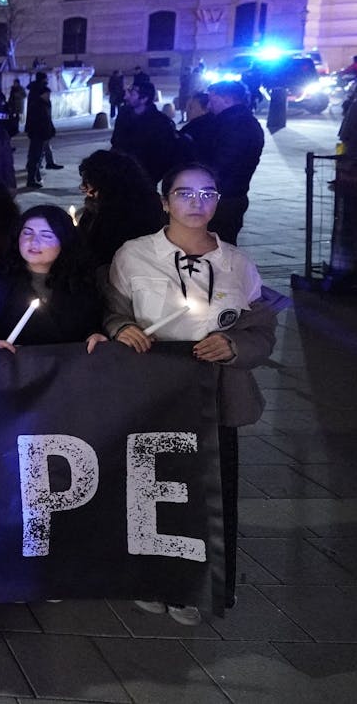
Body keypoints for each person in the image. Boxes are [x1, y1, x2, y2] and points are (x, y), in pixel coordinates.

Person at [105, 163, 281, 621]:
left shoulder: (237, 265)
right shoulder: (133, 255)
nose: (197, 203)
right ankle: (149, 576)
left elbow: (261, 330)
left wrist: (234, 345)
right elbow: (111, 311)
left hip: (216, 396)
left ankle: (196, 584)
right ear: (165, 202)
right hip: (153, 393)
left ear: (219, 201)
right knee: (148, 490)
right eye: (185, 194)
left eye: (207, 194)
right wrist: (122, 326)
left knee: (210, 492)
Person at [0, 205, 107, 350]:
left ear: (64, 241)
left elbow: (91, 325)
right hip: (8, 368)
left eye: (46, 235)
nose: (33, 242)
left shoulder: (80, 282)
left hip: (66, 368)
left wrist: (94, 335)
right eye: (27, 233)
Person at [179, 80, 264, 244]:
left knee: (217, 247)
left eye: (213, 99)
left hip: (222, 198)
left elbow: (223, 163)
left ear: (227, 99)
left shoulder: (235, 126)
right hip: (227, 195)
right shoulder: (236, 122)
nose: (209, 105)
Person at [76, 150, 165, 270]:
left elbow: (100, 249)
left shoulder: (126, 212)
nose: (85, 189)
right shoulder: (99, 203)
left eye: (88, 182)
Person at [110, 82, 179, 189]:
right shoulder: (124, 113)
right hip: (120, 174)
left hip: (146, 179)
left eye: (132, 94)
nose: (126, 96)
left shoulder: (161, 122)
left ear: (144, 99)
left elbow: (165, 154)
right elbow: (115, 141)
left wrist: (150, 176)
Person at [24, 82, 58, 189]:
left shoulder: (45, 104)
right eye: (47, 94)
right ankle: (31, 179)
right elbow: (36, 122)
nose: (49, 96)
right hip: (37, 135)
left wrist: (51, 130)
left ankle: (35, 177)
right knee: (35, 157)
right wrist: (40, 132)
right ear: (41, 94)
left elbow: (48, 120)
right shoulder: (37, 105)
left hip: (43, 134)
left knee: (38, 157)